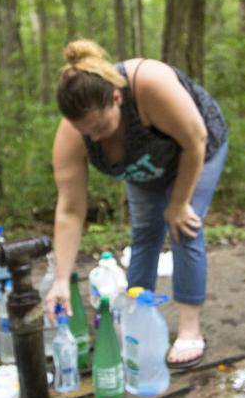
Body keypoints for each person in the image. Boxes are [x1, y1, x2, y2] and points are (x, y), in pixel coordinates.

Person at [44, 40, 227, 368]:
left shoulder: (150, 85)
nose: (95, 138)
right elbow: (70, 210)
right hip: (144, 166)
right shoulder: (74, 133)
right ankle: (137, 322)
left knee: (183, 226)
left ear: (116, 98)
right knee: (144, 234)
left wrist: (180, 203)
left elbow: (195, 140)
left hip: (198, 149)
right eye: (86, 132)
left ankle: (189, 331)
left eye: (100, 126)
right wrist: (61, 278)